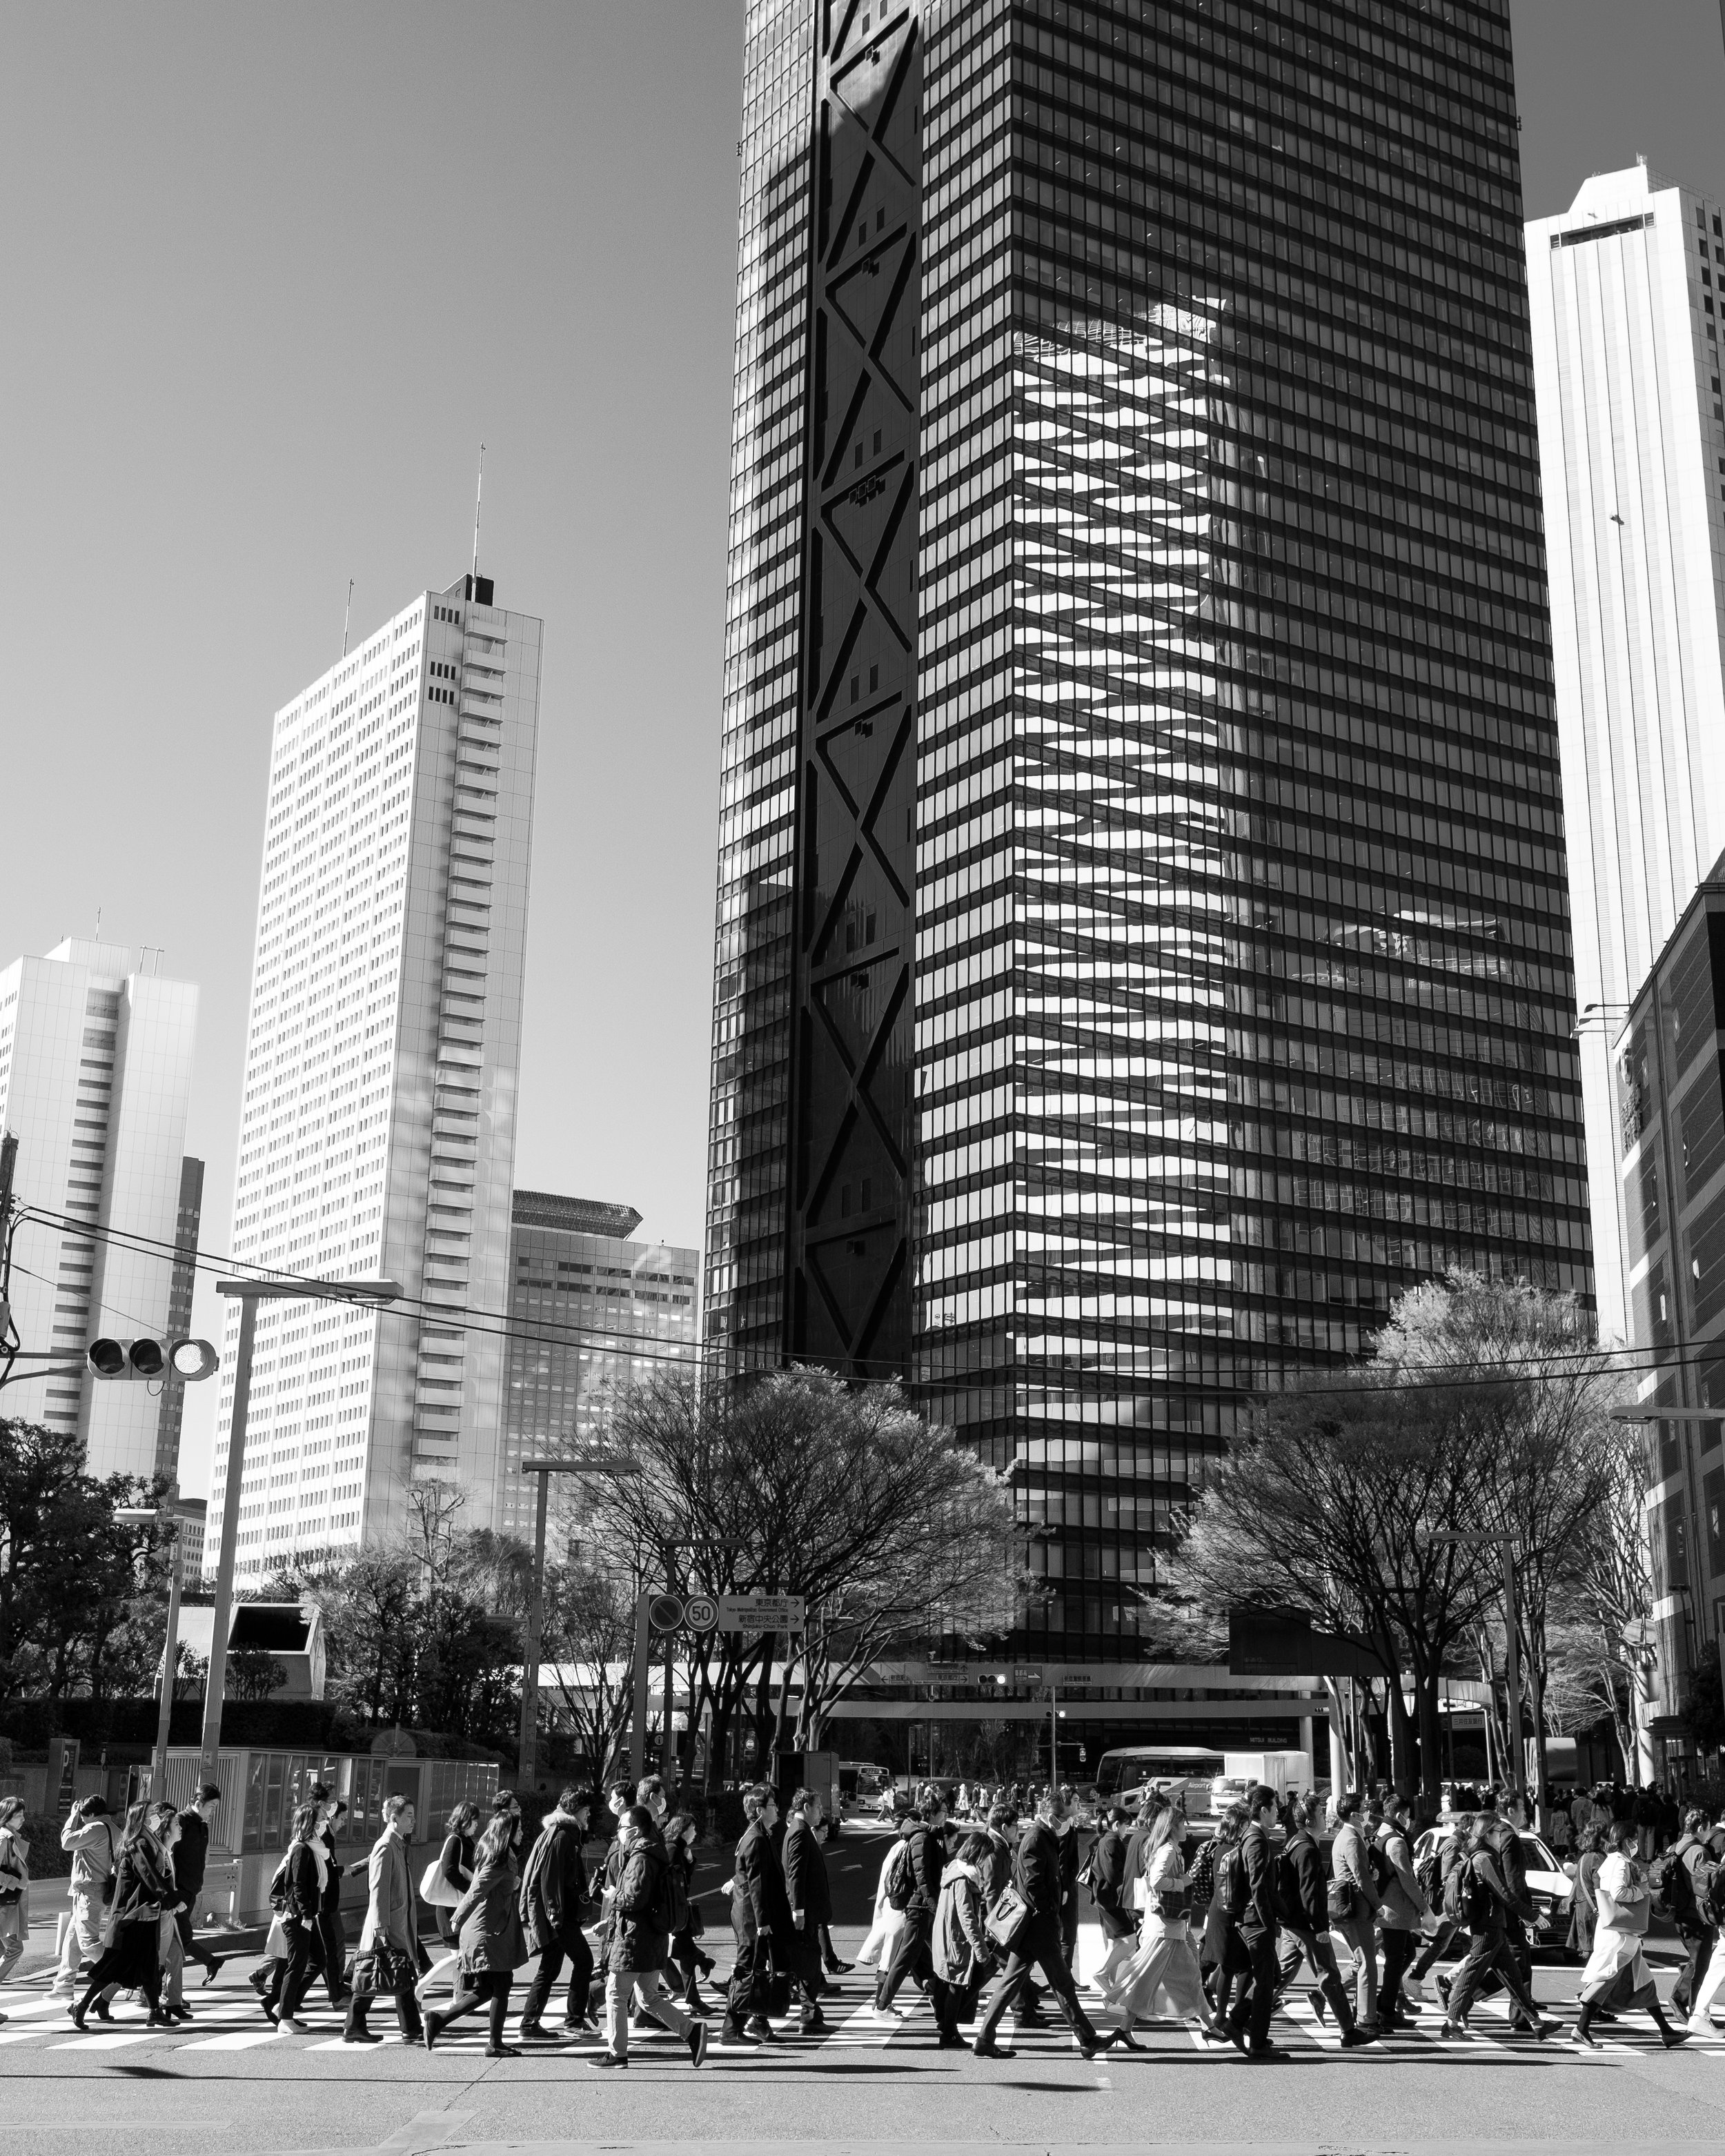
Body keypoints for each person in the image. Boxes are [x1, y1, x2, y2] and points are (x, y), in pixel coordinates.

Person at [972, 1790, 1107, 2061]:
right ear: (1050, 1817)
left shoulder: (1044, 1836)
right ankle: (1087, 2039)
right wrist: (1051, 1912)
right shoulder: (1036, 1839)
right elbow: (1034, 1885)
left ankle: (985, 2038)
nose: (1067, 1823)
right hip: (1038, 1924)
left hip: (1035, 1925)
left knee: (1012, 1983)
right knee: (1062, 1983)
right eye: (1063, 1819)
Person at [588, 1803, 707, 2070]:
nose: (619, 1833)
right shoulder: (655, 1852)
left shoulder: (640, 1857)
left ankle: (617, 2054)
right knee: (648, 1997)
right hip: (652, 1938)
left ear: (634, 1830)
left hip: (634, 1939)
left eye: (621, 1828)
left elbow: (634, 1898)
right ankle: (691, 2031)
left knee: (616, 1995)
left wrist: (611, 1896)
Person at [1104, 1800, 1229, 2044]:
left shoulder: (1166, 1848)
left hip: (1167, 1927)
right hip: (1165, 1929)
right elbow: (1157, 1881)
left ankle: (1126, 2029)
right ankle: (1208, 2027)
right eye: (1183, 1824)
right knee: (1162, 1978)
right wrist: (1183, 1882)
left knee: (1162, 1978)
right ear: (1172, 1827)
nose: (1187, 1829)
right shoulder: (1169, 1850)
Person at [1435, 1815, 1558, 2044]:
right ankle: (1450, 2023)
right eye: (1497, 1832)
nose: (1501, 1836)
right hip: (1487, 1928)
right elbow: (1504, 1894)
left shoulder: (1482, 1857)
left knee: (1513, 1976)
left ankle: (1536, 2023)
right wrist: (1532, 1916)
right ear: (1488, 1834)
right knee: (1470, 1975)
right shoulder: (1484, 1859)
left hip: (1493, 1926)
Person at [1575, 1819, 1688, 2049]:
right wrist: (1641, 1890)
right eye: (1634, 1839)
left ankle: (1666, 2032)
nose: (1637, 1843)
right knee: (1605, 1979)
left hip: (1624, 1935)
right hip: (1619, 1936)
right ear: (1626, 1840)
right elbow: (1618, 1892)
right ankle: (1581, 2029)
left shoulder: (1618, 1860)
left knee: (1645, 1983)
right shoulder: (1618, 1862)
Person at [426, 1813, 526, 2059]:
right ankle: (494, 2043)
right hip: (486, 1932)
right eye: (519, 1829)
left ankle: (439, 2019)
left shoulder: (501, 1856)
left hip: (490, 1928)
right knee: (501, 1985)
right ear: (508, 1832)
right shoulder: (498, 1859)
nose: (522, 1833)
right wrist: (457, 1917)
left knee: (490, 1988)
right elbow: (477, 1889)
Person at [70, 1801, 171, 2028]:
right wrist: (169, 1897)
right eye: (150, 1814)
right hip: (129, 1916)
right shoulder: (138, 1842)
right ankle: (84, 2004)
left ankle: (153, 2011)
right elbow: (148, 1874)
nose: (154, 1817)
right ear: (141, 1817)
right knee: (113, 1967)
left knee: (148, 1963)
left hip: (143, 1912)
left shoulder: (149, 1838)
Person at [1272, 1794, 1363, 2045]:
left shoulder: (1296, 1843)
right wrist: (1321, 1927)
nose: (1326, 1816)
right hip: (1306, 1925)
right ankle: (1349, 2030)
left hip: (1291, 1922)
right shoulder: (1308, 1848)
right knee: (1330, 1977)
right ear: (1311, 1820)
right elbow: (1310, 1893)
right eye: (1322, 1814)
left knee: (1280, 1975)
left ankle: (1241, 2015)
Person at [344, 1794, 424, 2046]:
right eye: (409, 1816)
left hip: (397, 1920)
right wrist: (381, 1927)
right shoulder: (386, 1845)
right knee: (376, 1972)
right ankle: (356, 2026)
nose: (414, 1821)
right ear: (394, 1818)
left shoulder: (397, 1843)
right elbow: (378, 1889)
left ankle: (409, 2028)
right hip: (388, 1924)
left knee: (395, 1972)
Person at [518, 1785, 595, 2043]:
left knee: (549, 1968)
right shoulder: (563, 1836)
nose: (589, 1816)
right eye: (587, 1811)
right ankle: (573, 2020)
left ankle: (530, 2022)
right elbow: (550, 1880)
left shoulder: (559, 1833)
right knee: (584, 1961)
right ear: (577, 1811)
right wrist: (556, 1916)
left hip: (557, 1914)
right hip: (560, 1916)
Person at [873, 1786, 949, 2019]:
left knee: (936, 1956)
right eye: (944, 1811)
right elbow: (923, 1876)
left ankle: (946, 2000)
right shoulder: (922, 1838)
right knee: (906, 1958)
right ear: (932, 1813)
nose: (947, 1815)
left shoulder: (931, 1836)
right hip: (919, 1907)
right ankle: (882, 2006)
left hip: (924, 1906)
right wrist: (933, 1903)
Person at [1222, 1783, 1285, 2061]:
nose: (1279, 1811)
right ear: (1264, 1809)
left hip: (1251, 1918)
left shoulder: (1251, 1836)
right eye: (1276, 1806)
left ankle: (1236, 2022)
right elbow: (1259, 1885)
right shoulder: (1256, 1839)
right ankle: (1257, 2042)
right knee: (1265, 1981)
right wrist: (1267, 1920)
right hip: (1255, 1920)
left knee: (1270, 1977)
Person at [725, 1782, 790, 2046]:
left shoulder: (758, 1834)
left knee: (756, 1969)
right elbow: (756, 1883)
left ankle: (757, 2020)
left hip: (756, 1916)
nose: (777, 1809)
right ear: (759, 1809)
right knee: (747, 1971)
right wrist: (763, 1922)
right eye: (773, 1805)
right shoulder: (756, 1839)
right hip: (753, 1918)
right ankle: (730, 2029)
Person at [265, 1802, 326, 2033]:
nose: (324, 1823)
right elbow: (298, 1885)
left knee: (318, 1959)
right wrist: (307, 1914)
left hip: (305, 1915)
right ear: (310, 1823)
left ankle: (284, 2006)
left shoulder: (312, 1849)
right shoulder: (301, 1849)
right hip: (297, 1916)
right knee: (296, 1964)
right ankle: (286, 2018)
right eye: (320, 1819)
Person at [930, 1830, 994, 2047]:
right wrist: (981, 1949)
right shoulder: (962, 1878)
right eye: (985, 1856)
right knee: (958, 1985)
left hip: (952, 1938)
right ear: (978, 1853)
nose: (986, 1862)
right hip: (956, 1940)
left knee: (964, 1982)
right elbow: (967, 1916)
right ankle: (949, 2032)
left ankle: (948, 2023)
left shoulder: (958, 1870)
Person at [49, 1794, 115, 2001]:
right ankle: (64, 1985)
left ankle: (122, 1972)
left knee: (88, 1942)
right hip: (95, 1888)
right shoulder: (115, 1829)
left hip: (90, 1890)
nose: (83, 1820)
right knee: (72, 1939)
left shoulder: (95, 1828)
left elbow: (67, 1842)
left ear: (93, 1814)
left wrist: (72, 1817)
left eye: (85, 1816)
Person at [1373, 1791, 1429, 2033]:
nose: (1410, 1821)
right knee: (1397, 1959)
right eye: (1407, 1816)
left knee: (1404, 1954)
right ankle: (1384, 2009)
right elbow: (1407, 1879)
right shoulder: (1395, 1841)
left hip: (1389, 1909)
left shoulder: (1381, 1833)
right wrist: (1425, 1908)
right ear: (1398, 1815)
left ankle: (1385, 2006)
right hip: (1393, 1911)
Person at [1327, 1792, 1379, 2041]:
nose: (1367, 1814)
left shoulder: (1347, 1836)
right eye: (1363, 1810)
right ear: (1355, 1815)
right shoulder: (1351, 1839)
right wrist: (1378, 1905)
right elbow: (1361, 1877)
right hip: (1356, 1906)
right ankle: (1367, 2019)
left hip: (1348, 1906)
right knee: (1368, 1963)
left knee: (1360, 1961)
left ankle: (1325, 1993)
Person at [781, 1788, 833, 2033]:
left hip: (809, 1911)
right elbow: (796, 1875)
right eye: (818, 1807)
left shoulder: (800, 1830)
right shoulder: (800, 1833)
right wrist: (798, 1911)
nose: (821, 1812)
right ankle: (809, 2017)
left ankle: (812, 2014)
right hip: (806, 1912)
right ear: (805, 1808)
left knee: (807, 1963)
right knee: (809, 1964)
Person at [1664, 1805, 1717, 2024]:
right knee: (1700, 1962)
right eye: (1708, 1829)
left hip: (1678, 1911)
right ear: (1702, 1827)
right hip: (1697, 1914)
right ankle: (1680, 1999)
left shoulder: (1676, 1846)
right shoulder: (1699, 1851)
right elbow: (1704, 1885)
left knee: (1698, 1961)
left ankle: (1696, 2010)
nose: (1709, 1833)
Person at [172, 1785, 225, 1988]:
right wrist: (172, 1891)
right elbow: (169, 1857)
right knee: (179, 1939)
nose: (213, 1811)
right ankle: (161, 1993)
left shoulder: (202, 1825)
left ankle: (166, 1994)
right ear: (198, 1803)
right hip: (177, 1891)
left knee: (176, 1942)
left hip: (191, 1890)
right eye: (211, 1806)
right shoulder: (180, 1822)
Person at [663, 1811, 716, 2011]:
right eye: (693, 1828)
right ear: (683, 1830)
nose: (695, 1832)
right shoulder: (671, 1849)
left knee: (684, 1952)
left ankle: (693, 1997)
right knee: (677, 1951)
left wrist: (690, 1860)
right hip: (672, 1912)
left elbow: (684, 1881)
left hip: (678, 1911)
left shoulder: (680, 1850)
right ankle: (702, 1962)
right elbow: (672, 1883)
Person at [1087, 1806, 1136, 1997]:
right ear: (1117, 1825)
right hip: (1111, 1900)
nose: (1127, 1830)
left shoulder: (1106, 1839)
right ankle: (1103, 1974)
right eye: (1126, 1826)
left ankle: (1111, 1988)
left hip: (1104, 1899)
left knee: (1115, 1943)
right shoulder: (1112, 1842)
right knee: (1129, 1940)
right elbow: (1113, 1875)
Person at [308, 1788, 350, 2008]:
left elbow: (329, 1864)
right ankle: (280, 1999)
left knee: (322, 1953)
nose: (331, 1809)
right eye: (329, 1804)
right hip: (319, 1902)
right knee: (321, 1954)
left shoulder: (322, 1832)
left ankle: (336, 1990)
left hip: (325, 1899)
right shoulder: (312, 1838)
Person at [857, 1814, 915, 1968]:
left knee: (898, 1952)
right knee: (894, 1953)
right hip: (900, 1902)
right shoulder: (905, 1847)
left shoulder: (899, 1846)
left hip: (894, 1902)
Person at [432, 1799, 480, 1946]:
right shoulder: (455, 1840)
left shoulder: (465, 1840)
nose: (477, 1824)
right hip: (451, 1907)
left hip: (457, 1905)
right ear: (464, 1819)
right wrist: (470, 1890)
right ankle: (427, 1970)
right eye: (474, 1820)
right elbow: (449, 1870)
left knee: (459, 1958)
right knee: (457, 1957)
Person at [0, 1797, 29, 2011]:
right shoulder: (4, 1839)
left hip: (7, 1902)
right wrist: (16, 1882)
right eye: (19, 1816)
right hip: (2, 1903)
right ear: (8, 1816)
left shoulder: (12, 1838)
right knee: (14, 1948)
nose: (23, 1819)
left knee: (4, 1948)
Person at [1569, 1821, 1604, 1961]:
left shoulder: (1584, 1857)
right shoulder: (1598, 1858)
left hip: (1585, 1912)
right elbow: (1601, 1889)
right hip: (1596, 1915)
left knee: (1593, 1962)